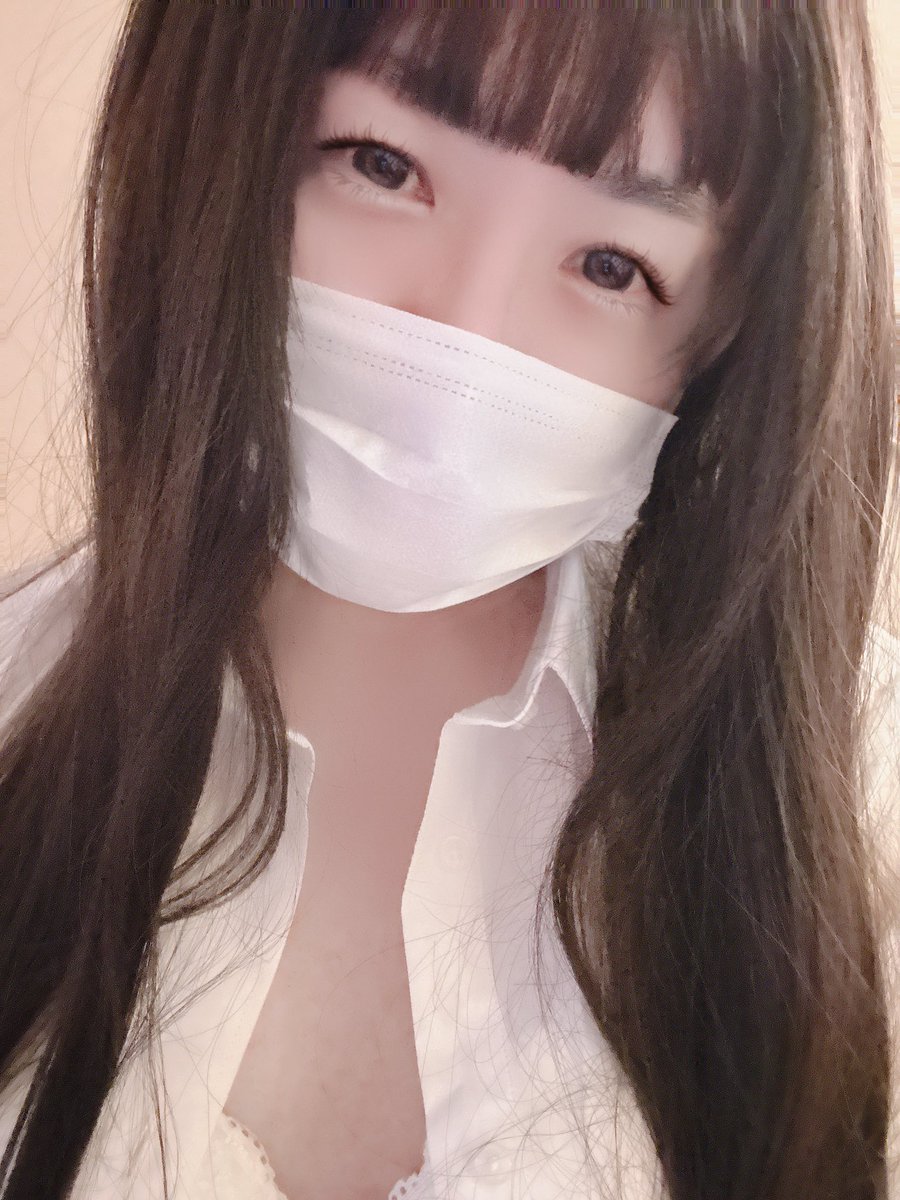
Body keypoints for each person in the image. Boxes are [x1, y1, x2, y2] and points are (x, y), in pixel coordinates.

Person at [0, 6, 898, 1199]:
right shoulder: (16, 692)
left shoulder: (862, 792)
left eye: (611, 265)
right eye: (382, 165)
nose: (464, 335)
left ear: (716, 344)